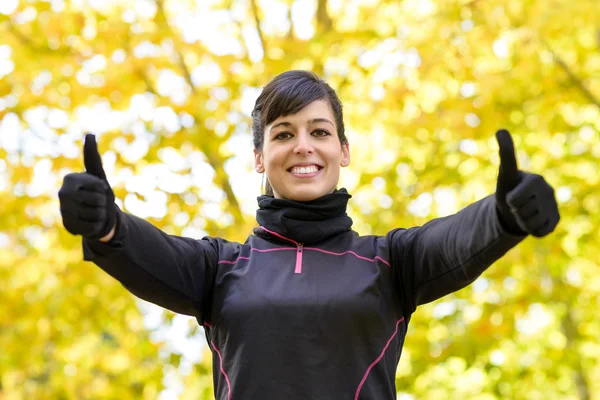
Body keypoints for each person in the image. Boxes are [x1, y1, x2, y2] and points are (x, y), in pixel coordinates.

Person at [58, 70, 560, 399]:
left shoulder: (391, 263)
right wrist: (104, 221)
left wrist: (506, 213)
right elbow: (142, 249)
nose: (303, 146)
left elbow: (454, 240)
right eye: (283, 133)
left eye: (319, 131)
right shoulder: (218, 269)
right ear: (259, 156)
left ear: (344, 150)